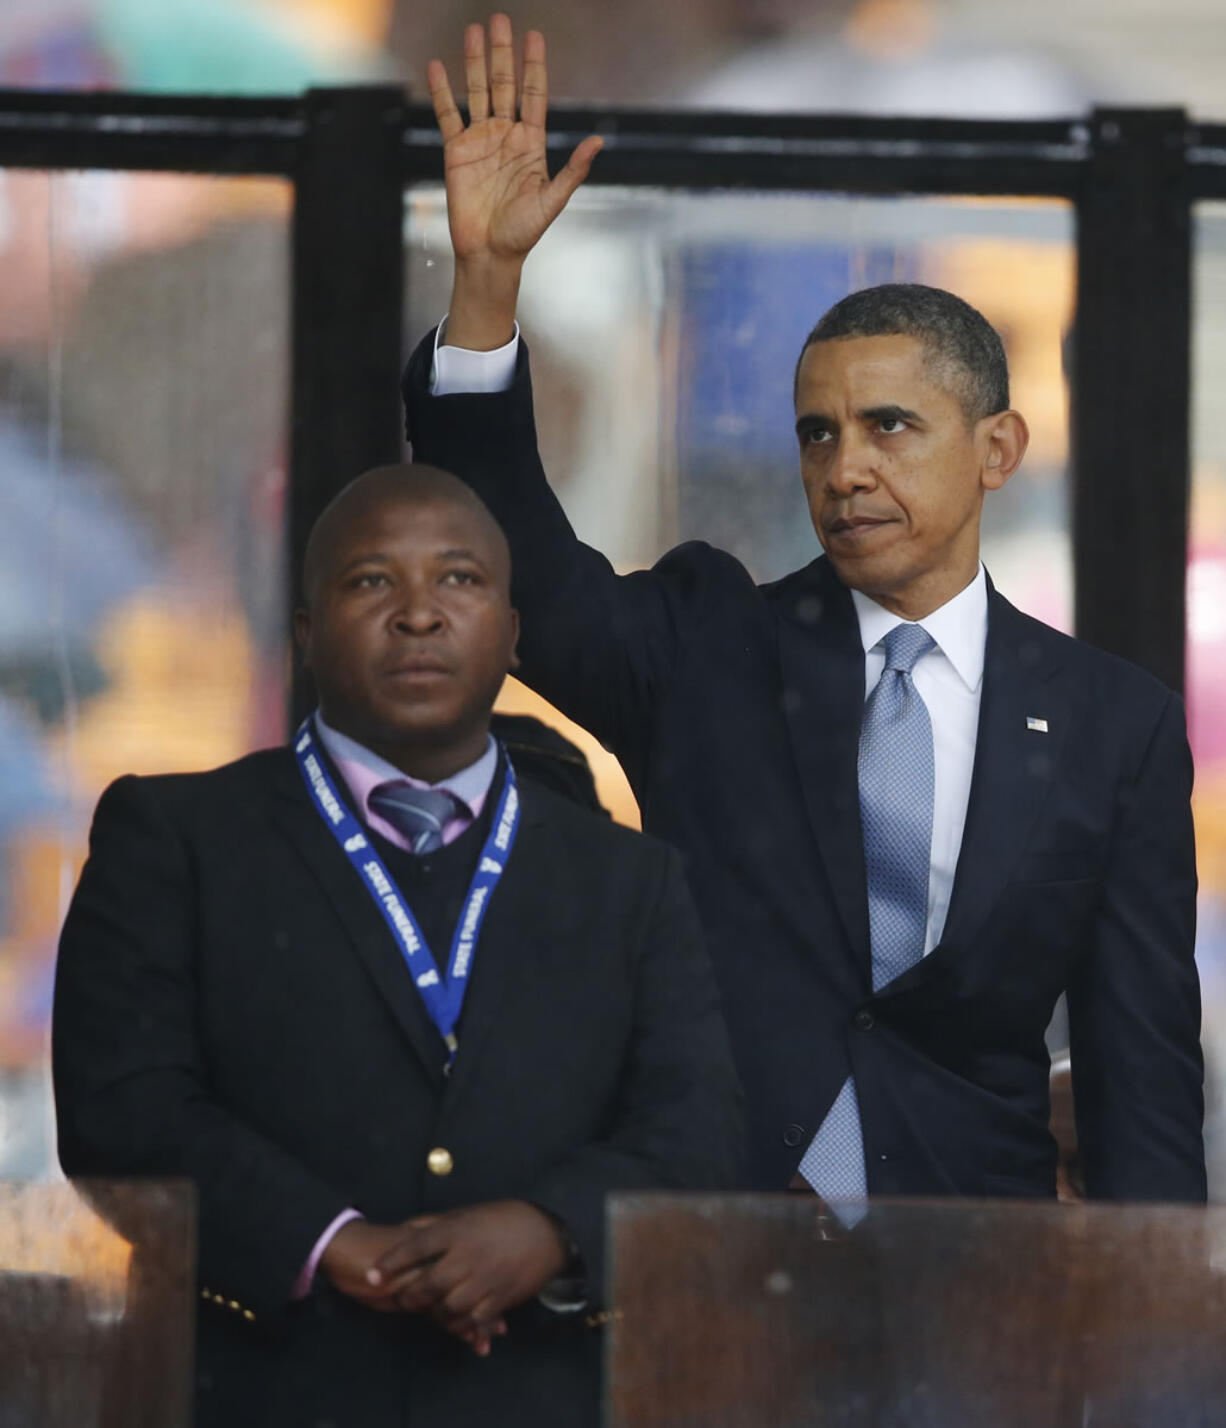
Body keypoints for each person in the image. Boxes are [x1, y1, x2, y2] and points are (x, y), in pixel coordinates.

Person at [402, 15, 1206, 1205]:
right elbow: (510, 563)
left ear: (997, 449)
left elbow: (1139, 1077)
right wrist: (484, 290)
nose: (845, 468)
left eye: (889, 428)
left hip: (970, 1284)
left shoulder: (1107, 724)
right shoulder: (708, 644)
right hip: (710, 1256)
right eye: (817, 434)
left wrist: (1144, 1342)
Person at [52, 463, 743, 1428]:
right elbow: (120, 1108)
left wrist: (549, 1229)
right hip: (262, 1386)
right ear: (305, 635)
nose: (418, 613)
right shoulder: (175, 837)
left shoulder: (629, 880)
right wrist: (331, 1242)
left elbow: (698, 1133)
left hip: (540, 1395)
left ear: (510, 633)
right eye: (371, 580)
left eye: (458, 579)